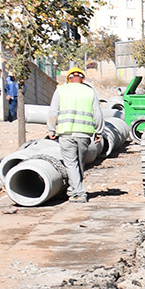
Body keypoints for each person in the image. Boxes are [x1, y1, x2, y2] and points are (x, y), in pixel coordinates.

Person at [45, 66, 97, 203]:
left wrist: (51, 129)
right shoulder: (90, 91)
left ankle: (79, 193)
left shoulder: (61, 90)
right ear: (83, 79)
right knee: (79, 163)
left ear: (68, 79)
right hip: (84, 134)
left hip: (66, 133)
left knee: (71, 164)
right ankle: (74, 190)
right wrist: (99, 131)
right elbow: (97, 113)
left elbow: (53, 112)